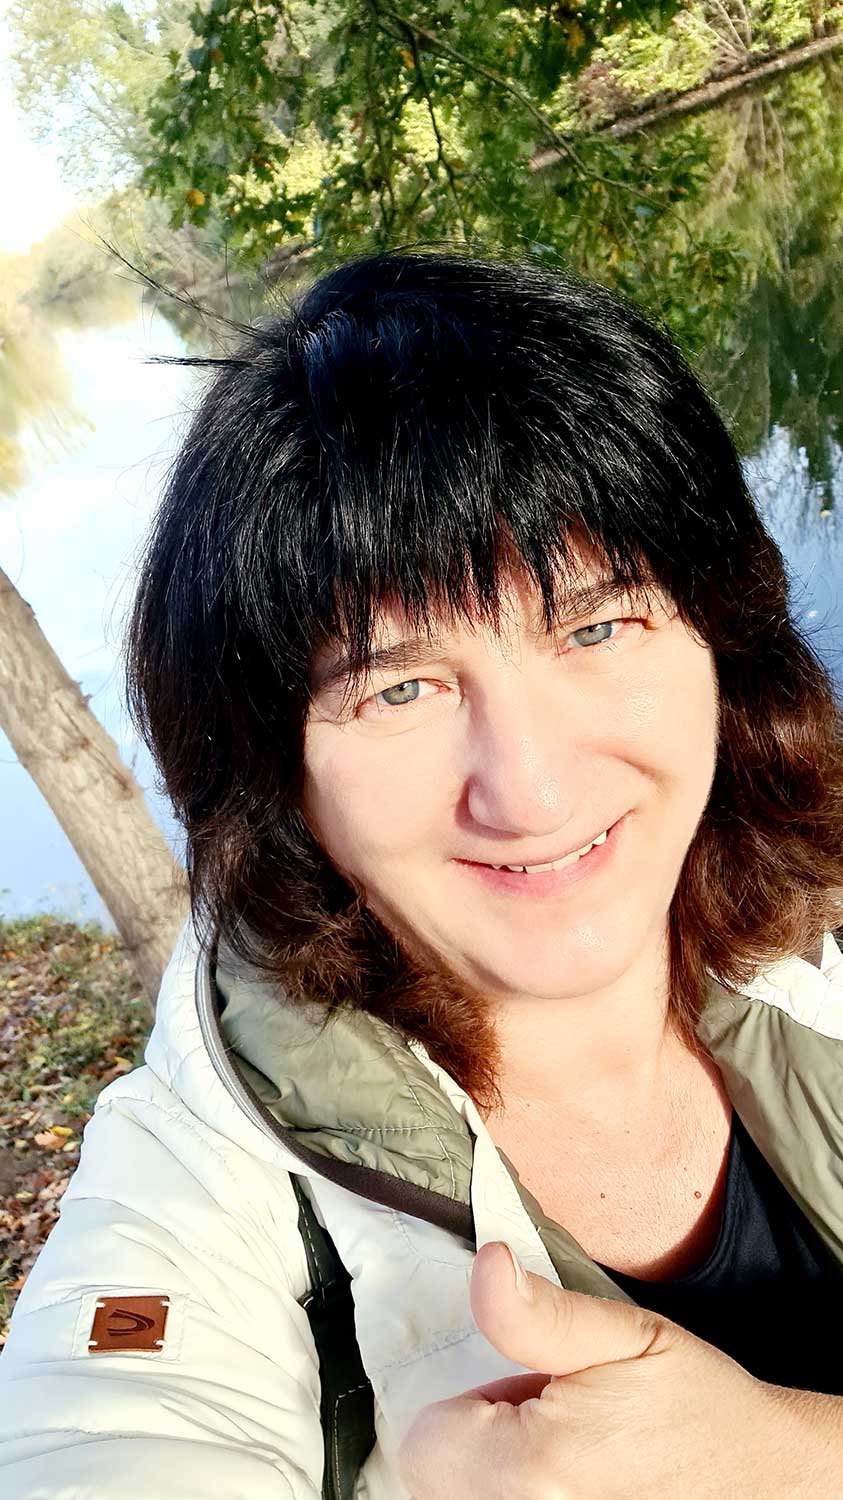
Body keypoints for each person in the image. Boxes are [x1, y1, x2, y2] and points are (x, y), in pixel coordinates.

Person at [2, 248, 843, 1499]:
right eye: (399, 689)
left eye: (596, 626)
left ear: (722, 637)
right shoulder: (197, 1199)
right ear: (277, 775)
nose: (531, 792)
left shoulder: (822, 927)